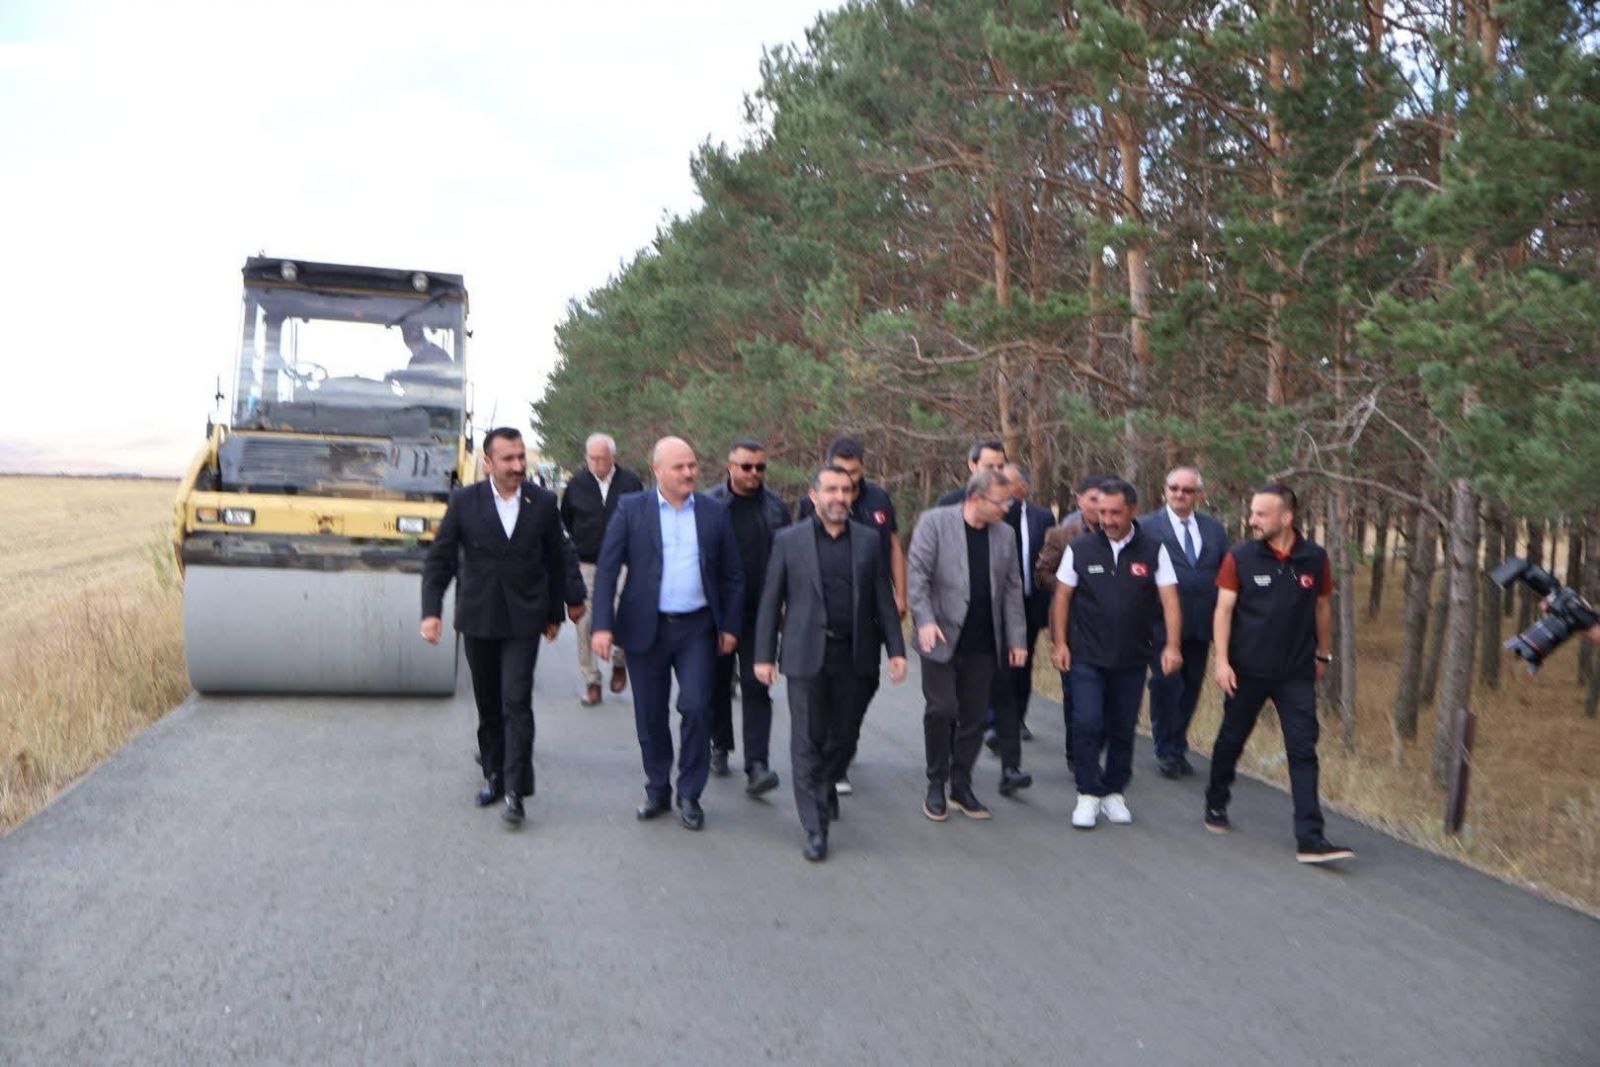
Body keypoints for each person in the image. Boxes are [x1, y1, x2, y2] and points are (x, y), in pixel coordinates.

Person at [420, 427, 572, 828]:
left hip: (525, 618)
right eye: (509, 458)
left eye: (521, 457)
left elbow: (556, 559)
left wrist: (554, 612)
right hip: (479, 617)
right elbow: (440, 559)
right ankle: (494, 774)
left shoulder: (542, 502)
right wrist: (431, 612)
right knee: (488, 704)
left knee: (516, 701)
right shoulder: (464, 502)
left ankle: (516, 791)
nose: (518, 465)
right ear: (488, 463)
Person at [753, 465, 907, 861]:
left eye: (846, 490)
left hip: (855, 655)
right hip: (805, 654)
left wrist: (897, 650)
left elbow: (883, 598)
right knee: (807, 738)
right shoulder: (789, 541)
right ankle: (815, 826)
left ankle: (824, 785)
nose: (840, 497)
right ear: (814, 495)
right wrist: (764, 655)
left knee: (845, 736)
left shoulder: (868, 541)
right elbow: (771, 600)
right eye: (832, 490)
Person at [590, 437, 744, 832]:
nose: (689, 472)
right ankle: (657, 787)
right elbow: (607, 570)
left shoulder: (713, 512)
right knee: (650, 714)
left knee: (697, 706)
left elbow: (732, 574)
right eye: (680, 467)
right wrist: (602, 625)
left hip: (698, 628)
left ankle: (689, 793)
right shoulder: (631, 509)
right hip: (647, 627)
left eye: (692, 465)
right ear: (658, 471)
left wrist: (730, 625)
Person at [1205, 484, 1355, 864]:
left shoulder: (1314, 558)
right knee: (1231, 740)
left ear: (1286, 518)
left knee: (1303, 750)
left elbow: (1322, 608)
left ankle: (1310, 837)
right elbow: (1223, 611)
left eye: (1261, 514)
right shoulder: (1240, 557)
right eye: (1252, 513)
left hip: (1296, 673)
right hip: (1246, 671)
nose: (1252, 520)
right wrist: (1221, 661)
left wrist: (1324, 654)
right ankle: (1216, 800)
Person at [1050, 478, 1182, 830]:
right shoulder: (1080, 548)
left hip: (1132, 656)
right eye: (1102, 512)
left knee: (1122, 726)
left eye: (1115, 513)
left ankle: (1113, 791)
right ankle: (1087, 793)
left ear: (1132, 510)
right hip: (1086, 654)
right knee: (1087, 721)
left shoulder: (1153, 550)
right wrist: (1060, 643)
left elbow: (1170, 599)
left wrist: (1172, 645)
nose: (1107, 519)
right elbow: (1062, 596)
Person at [908, 468, 1028, 822]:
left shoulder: (1004, 534)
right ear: (975, 498)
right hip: (940, 635)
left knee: (973, 718)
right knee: (942, 709)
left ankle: (961, 784)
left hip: (983, 641)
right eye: (1000, 502)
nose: (1006, 508)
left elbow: (1012, 588)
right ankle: (936, 781)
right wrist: (924, 620)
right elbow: (918, 577)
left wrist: (1017, 639)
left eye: (1009, 502)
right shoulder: (934, 523)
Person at [797, 437, 907, 795]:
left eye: (855, 474)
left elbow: (893, 546)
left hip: (871, 606)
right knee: (826, 691)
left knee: (863, 684)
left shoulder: (879, 500)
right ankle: (834, 764)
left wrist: (901, 593)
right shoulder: (811, 502)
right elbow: (799, 552)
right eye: (841, 473)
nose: (848, 482)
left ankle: (843, 741)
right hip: (828, 610)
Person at [706, 439, 792, 793]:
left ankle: (757, 765)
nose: (754, 473)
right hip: (718, 611)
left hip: (762, 611)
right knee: (716, 683)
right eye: (746, 466)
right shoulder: (709, 504)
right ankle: (720, 744)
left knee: (757, 685)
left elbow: (789, 560)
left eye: (760, 467)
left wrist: (787, 606)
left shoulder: (776, 508)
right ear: (730, 467)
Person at [1141, 466, 1230, 778]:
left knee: (1191, 687)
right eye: (1174, 488)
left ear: (1199, 495)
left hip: (1201, 623)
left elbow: (1226, 574)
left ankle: (1177, 745)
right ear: (1164, 491)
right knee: (1166, 685)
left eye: (1187, 490)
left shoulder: (1214, 530)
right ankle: (1165, 748)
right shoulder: (1146, 527)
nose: (1180, 494)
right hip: (1159, 625)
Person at [558, 433, 644, 705]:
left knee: (625, 612)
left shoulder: (630, 482)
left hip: (623, 562)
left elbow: (641, 518)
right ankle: (591, 679)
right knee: (585, 620)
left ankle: (620, 660)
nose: (596, 463)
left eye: (601, 458)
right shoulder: (576, 484)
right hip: (587, 562)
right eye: (591, 458)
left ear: (613, 458)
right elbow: (566, 520)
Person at [983, 462, 1052, 797]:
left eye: (1009, 484)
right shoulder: (988, 519)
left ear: (1023, 487)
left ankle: (1013, 731)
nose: (1006, 491)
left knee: (1019, 669)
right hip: (987, 610)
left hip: (1027, 605)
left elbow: (1045, 560)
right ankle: (990, 724)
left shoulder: (1041, 518)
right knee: (991, 671)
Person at [1035, 474, 1106, 769]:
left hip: (1110, 628)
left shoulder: (1121, 535)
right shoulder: (1061, 535)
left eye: (1104, 500)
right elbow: (1043, 572)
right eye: (1093, 499)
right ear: (1080, 501)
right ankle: (1077, 753)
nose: (1099, 506)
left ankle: (1097, 746)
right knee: (1075, 693)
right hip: (1072, 624)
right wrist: (1071, 587)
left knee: (1106, 696)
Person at [935, 438, 1008, 506]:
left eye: (1000, 467)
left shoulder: (1011, 503)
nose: (996, 471)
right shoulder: (950, 503)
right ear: (972, 466)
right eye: (989, 467)